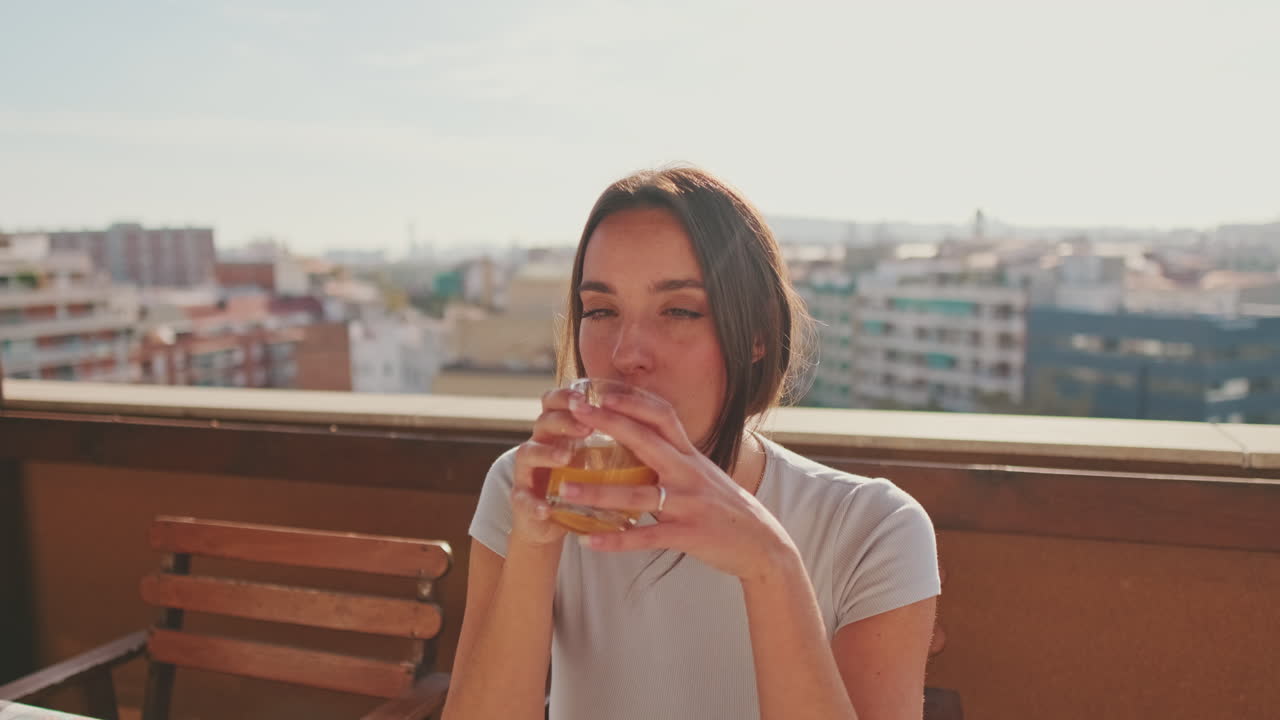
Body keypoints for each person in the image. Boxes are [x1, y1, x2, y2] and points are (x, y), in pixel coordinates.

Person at [442, 166, 940, 720]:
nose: (627, 352)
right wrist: (533, 546)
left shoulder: (870, 527)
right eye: (601, 310)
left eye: (679, 310)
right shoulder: (525, 486)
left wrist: (770, 567)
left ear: (755, 333)